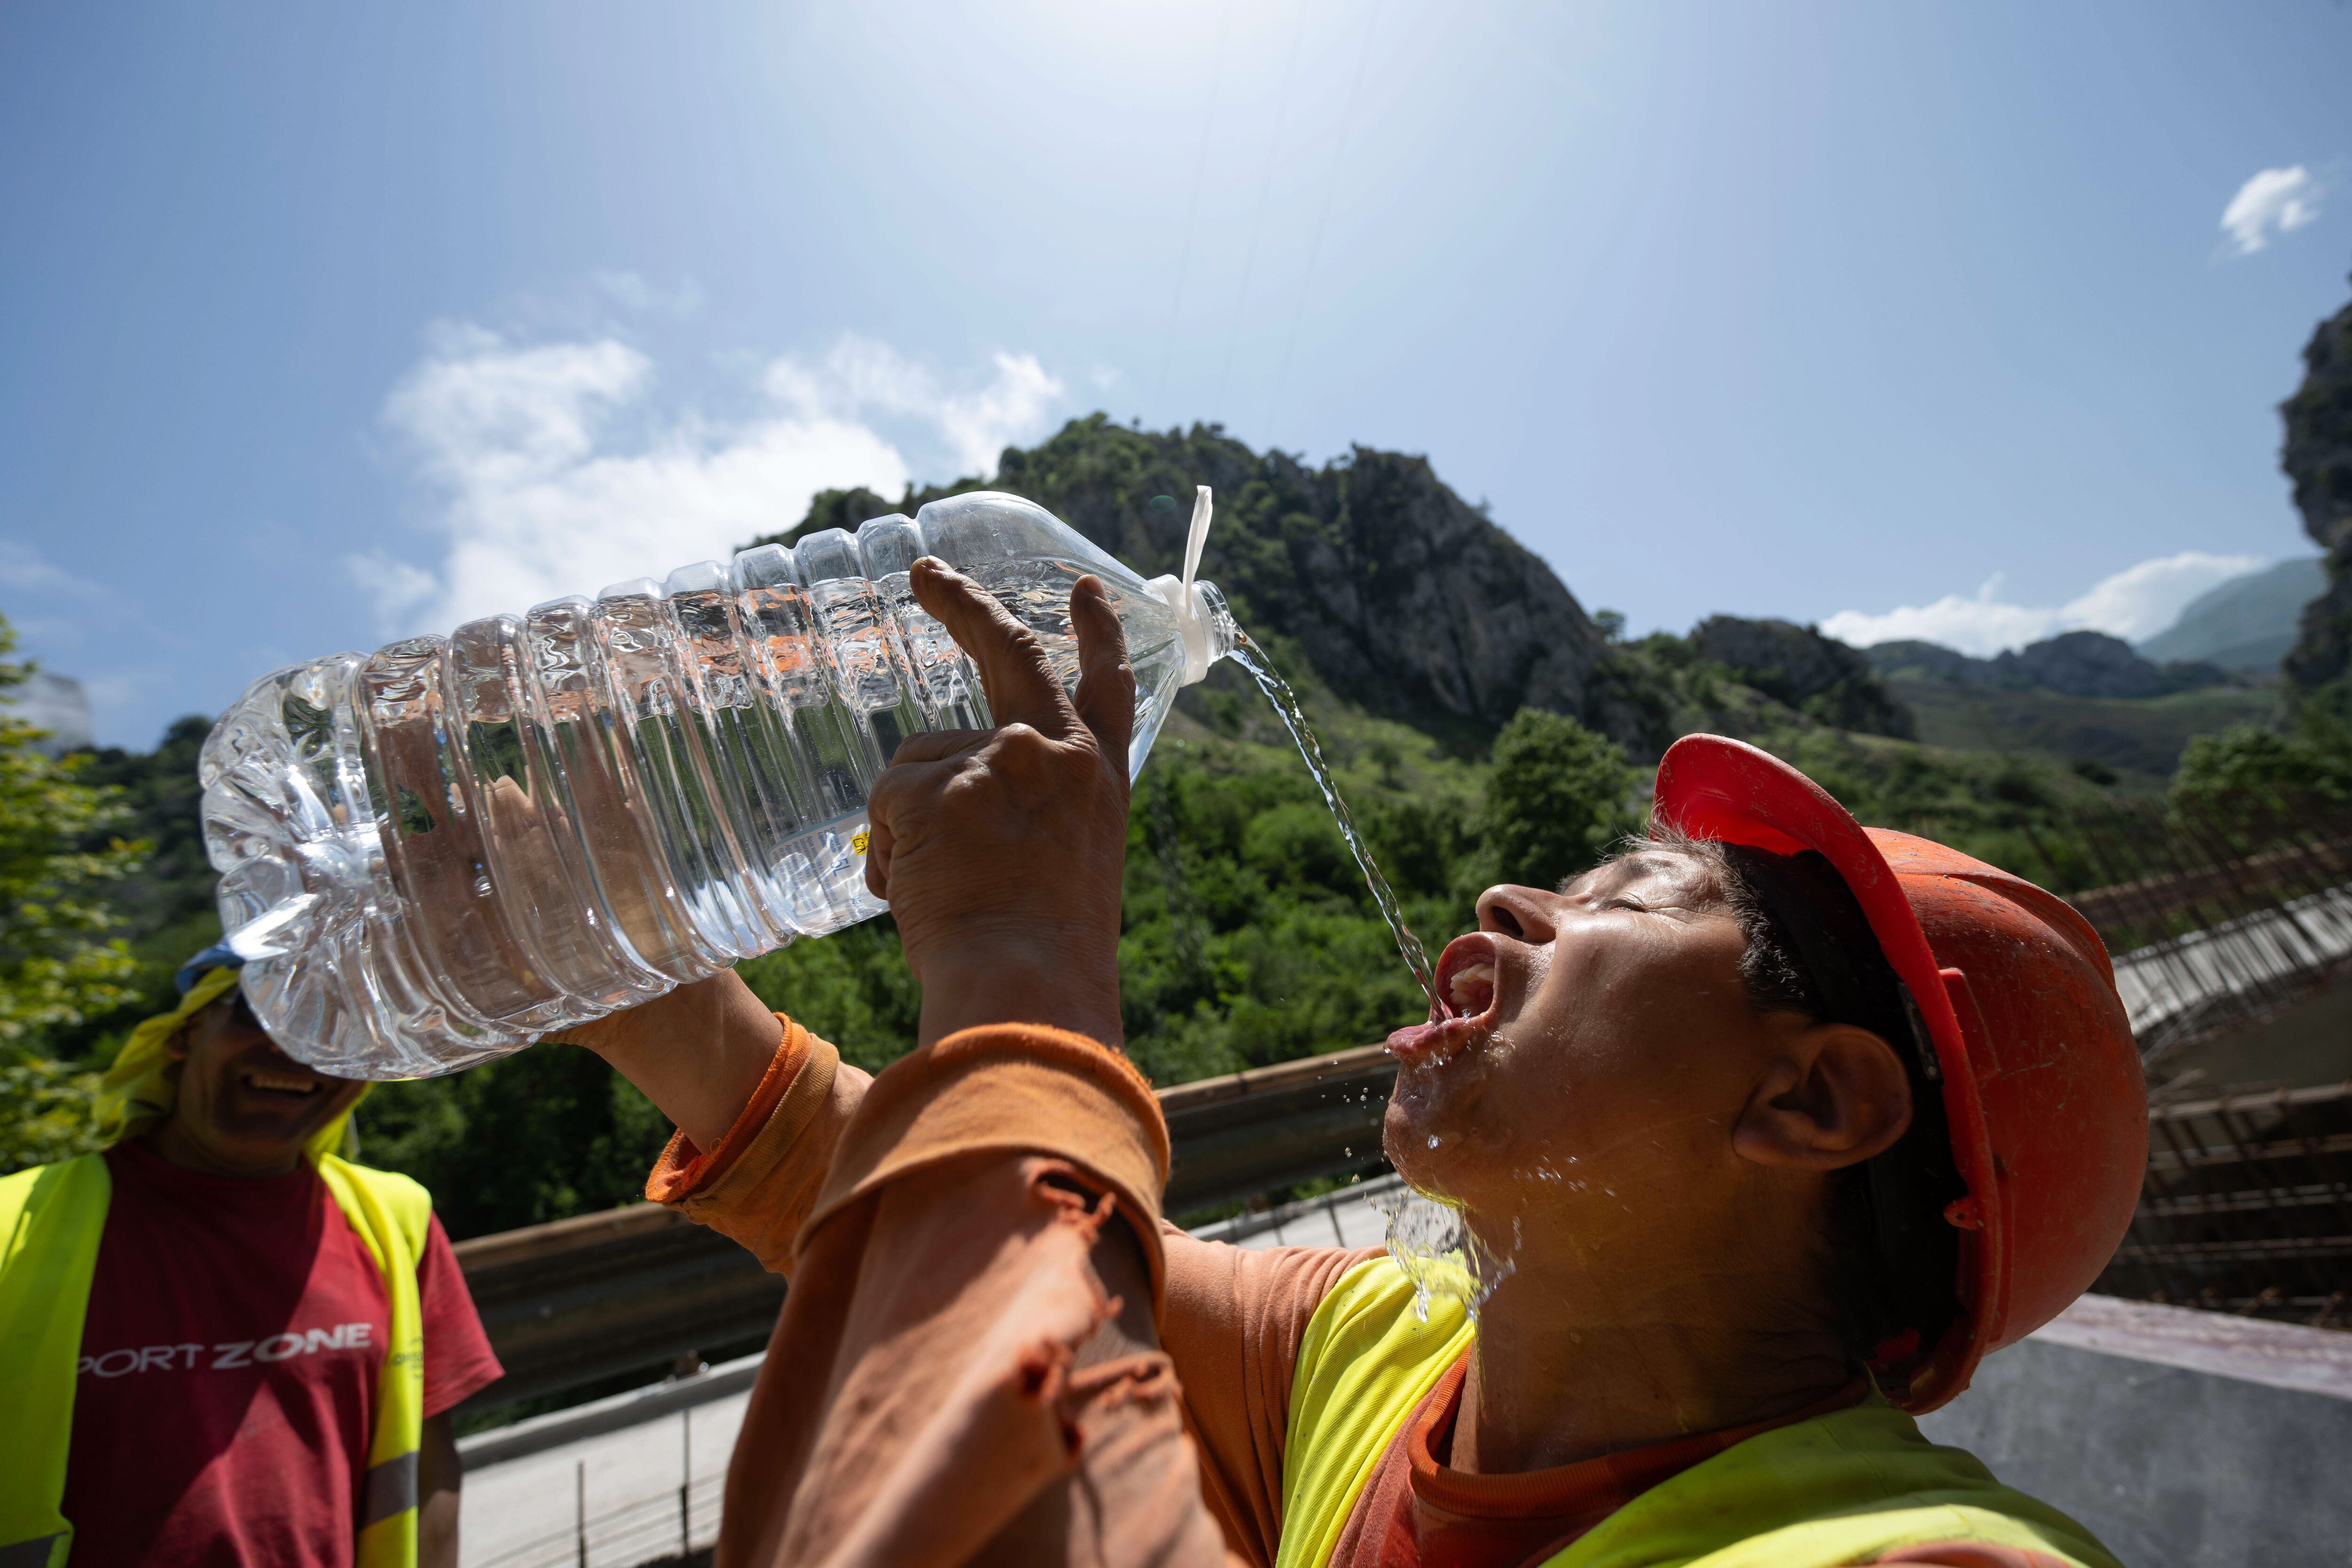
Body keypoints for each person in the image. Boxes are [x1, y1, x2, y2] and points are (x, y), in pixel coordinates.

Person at [587, 562, 2137, 1566]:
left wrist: (1016, 977)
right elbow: (976, 1257)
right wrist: (621, 967)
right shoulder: (1377, 1353)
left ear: (1812, 1098)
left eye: (1632, 894)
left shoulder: (1918, 1557)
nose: (1507, 900)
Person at [0, 949, 504, 1568]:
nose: (295, 1047)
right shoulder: (14, 1228)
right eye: (260, 1009)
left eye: (336, 1024)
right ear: (185, 1034)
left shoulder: (397, 1220)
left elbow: (429, 1467)